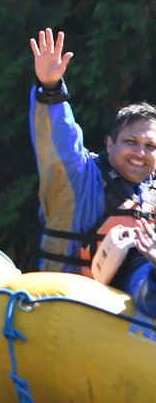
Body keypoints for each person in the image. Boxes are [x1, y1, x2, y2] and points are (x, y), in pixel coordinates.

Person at [29, 28, 156, 313]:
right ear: (109, 144)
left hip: (129, 313)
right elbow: (60, 141)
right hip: (63, 303)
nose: (140, 152)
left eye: (150, 146)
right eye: (131, 142)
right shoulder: (77, 178)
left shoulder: (152, 195)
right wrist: (51, 89)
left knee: (143, 267)